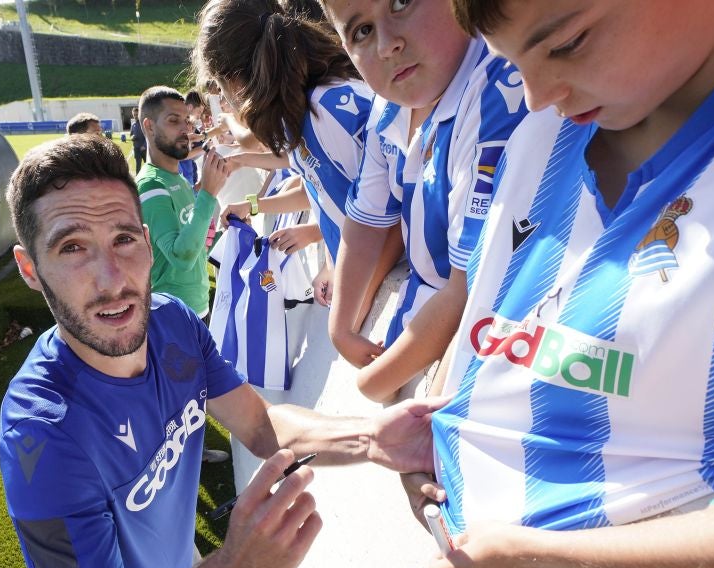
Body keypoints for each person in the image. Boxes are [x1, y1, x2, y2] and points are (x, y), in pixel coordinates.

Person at [410, 1, 714, 568]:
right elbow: (486, 320)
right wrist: (433, 430)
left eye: (568, 44)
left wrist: (543, 554)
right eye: (511, 63)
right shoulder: (546, 135)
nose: (537, 96)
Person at [0, 134, 445, 568]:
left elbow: (259, 423)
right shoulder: (42, 434)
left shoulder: (172, 323)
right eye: (73, 247)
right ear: (30, 269)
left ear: (147, 241)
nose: (112, 279)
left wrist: (372, 438)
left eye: (123, 239)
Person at [320, 0, 528, 403]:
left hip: (484, 350)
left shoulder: (496, 90)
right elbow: (368, 220)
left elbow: (471, 287)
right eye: (361, 31)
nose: (386, 45)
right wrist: (340, 327)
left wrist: (372, 382)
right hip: (424, 325)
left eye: (401, 3)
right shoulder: (389, 104)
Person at [193, 0, 404, 319]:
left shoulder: (325, 111)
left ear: (233, 80)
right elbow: (324, 189)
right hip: (372, 287)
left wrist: (348, 312)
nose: (226, 102)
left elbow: (393, 219)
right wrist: (335, 265)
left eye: (221, 91)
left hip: (393, 293)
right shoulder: (301, 112)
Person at [136, 85, 227, 322]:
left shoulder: (178, 179)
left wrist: (202, 240)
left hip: (196, 307)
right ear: (149, 126)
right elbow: (181, 257)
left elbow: (190, 245)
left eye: (186, 120)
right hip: (172, 317)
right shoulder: (150, 185)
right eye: (173, 120)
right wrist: (208, 192)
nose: (186, 128)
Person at [129, 107, 147, 174]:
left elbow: (147, 136)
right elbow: (130, 135)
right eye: (134, 115)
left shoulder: (144, 124)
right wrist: (132, 137)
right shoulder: (133, 125)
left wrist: (144, 146)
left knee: (148, 165)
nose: (135, 116)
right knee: (138, 165)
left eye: (137, 114)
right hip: (136, 149)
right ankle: (137, 181)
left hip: (144, 149)